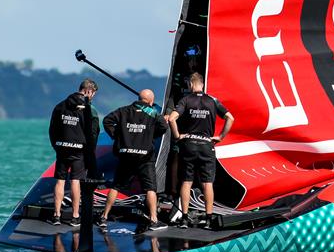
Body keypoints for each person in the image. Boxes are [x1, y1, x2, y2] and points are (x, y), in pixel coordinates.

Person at [168, 73, 234, 229]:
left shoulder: (186, 100)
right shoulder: (212, 100)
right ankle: (209, 219)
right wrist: (221, 137)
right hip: (206, 145)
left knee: (186, 182)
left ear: (191, 84)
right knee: (207, 183)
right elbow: (230, 118)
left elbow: (171, 118)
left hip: (189, 144)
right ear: (202, 85)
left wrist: (177, 136)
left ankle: (184, 218)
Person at [99, 89, 169, 231]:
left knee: (116, 186)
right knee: (151, 188)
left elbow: (107, 120)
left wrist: (117, 136)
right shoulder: (153, 112)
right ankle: (154, 220)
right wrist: (150, 136)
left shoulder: (124, 110)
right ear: (150, 101)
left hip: (126, 155)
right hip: (145, 157)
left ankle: (104, 216)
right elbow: (164, 126)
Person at [48, 79, 99, 227]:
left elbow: (52, 129)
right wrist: (90, 152)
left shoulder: (60, 106)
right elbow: (92, 133)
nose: (93, 96)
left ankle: (56, 215)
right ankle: (75, 216)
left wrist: (57, 146)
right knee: (75, 181)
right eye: (93, 93)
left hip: (62, 147)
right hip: (79, 150)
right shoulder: (88, 108)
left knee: (60, 180)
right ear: (88, 91)